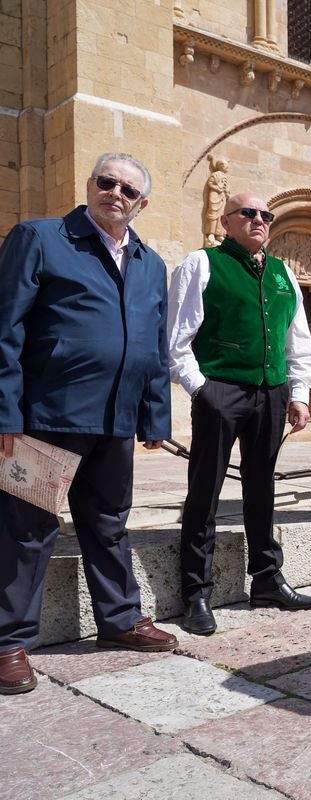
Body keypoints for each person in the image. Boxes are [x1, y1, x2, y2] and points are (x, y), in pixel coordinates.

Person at [0, 153, 178, 695]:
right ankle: (9, 642)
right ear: (90, 185)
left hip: (115, 418)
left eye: (128, 189)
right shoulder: (41, 238)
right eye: (107, 182)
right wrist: (5, 411)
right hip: (45, 414)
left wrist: (154, 413)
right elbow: (5, 327)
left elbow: (152, 346)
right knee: (28, 529)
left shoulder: (150, 263)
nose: (116, 193)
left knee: (108, 521)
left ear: (141, 204)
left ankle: (120, 620)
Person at [168, 193, 311, 635]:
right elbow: (178, 336)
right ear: (225, 221)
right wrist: (203, 389)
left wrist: (299, 392)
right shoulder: (202, 263)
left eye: (265, 215)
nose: (259, 220)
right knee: (205, 489)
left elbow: (298, 337)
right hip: (222, 389)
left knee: (261, 486)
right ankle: (196, 591)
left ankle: (267, 579)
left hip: (271, 393)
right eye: (248, 213)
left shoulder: (282, 272)